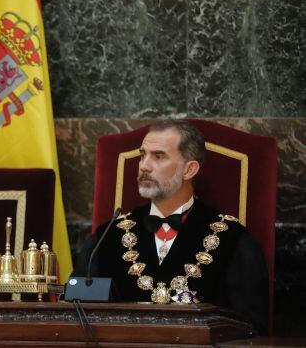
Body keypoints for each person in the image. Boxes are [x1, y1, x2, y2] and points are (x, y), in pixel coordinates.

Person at [73, 120, 269, 334]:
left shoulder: (232, 240)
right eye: (142, 155)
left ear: (189, 169)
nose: (144, 166)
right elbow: (77, 319)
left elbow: (251, 330)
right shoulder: (107, 237)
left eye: (158, 156)